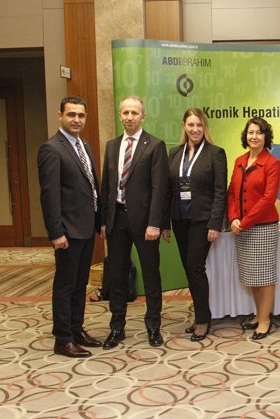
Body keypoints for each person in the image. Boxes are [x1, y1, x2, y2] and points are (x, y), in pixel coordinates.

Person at [100, 96, 169, 349]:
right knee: (117, 276)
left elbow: (160, 188)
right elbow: (106, 186)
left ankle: (153, 327)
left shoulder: (155, 145)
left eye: (135, 113)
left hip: (145, 223)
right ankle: (117, 327)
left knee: (151, 276)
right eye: (126, 112)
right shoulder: (111, 146)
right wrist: (104, 220)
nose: (130, 117)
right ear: (120, 115)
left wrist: (155, 223)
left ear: (143, 116)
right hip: (116, 220)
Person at [38, 96, 102, 358]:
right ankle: (62, 339)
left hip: (85, 228)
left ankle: (76, 330)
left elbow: (91, 187)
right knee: (65, 285)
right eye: (71, 114)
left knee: (80, 283)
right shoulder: (51, 149)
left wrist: (98, 221)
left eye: (81, 115)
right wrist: (56, 233)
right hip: (67, 232)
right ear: (60, 116)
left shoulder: (83, 145)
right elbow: (49, 195)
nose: (77, 120)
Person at [162, 108, 227, 341]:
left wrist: (215, 224)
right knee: (189, 269)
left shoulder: (215, 153)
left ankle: (202, 319)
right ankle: (201, 314)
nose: (195, 129)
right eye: (191, 125)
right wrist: (165, 223)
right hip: (180, 219)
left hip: (202, 220)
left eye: (199, 125)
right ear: (184, 127)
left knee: (195, 266)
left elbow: (220, 191)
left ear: (205, 127)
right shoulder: (174, 153)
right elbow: (167, 191)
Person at [227, 117, 280, 340]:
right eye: (250, 132)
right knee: (252, 275)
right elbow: (231, 192)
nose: (254, 136)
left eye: (259, 132)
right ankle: (259, 314)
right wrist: (233, 218)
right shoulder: (239, 160)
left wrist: (245, 222)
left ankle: (265, 320)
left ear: (266, 136)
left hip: (263, 227)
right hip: (241, 226)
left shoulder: (272, 163)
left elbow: (268, 198)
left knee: (264, 276)